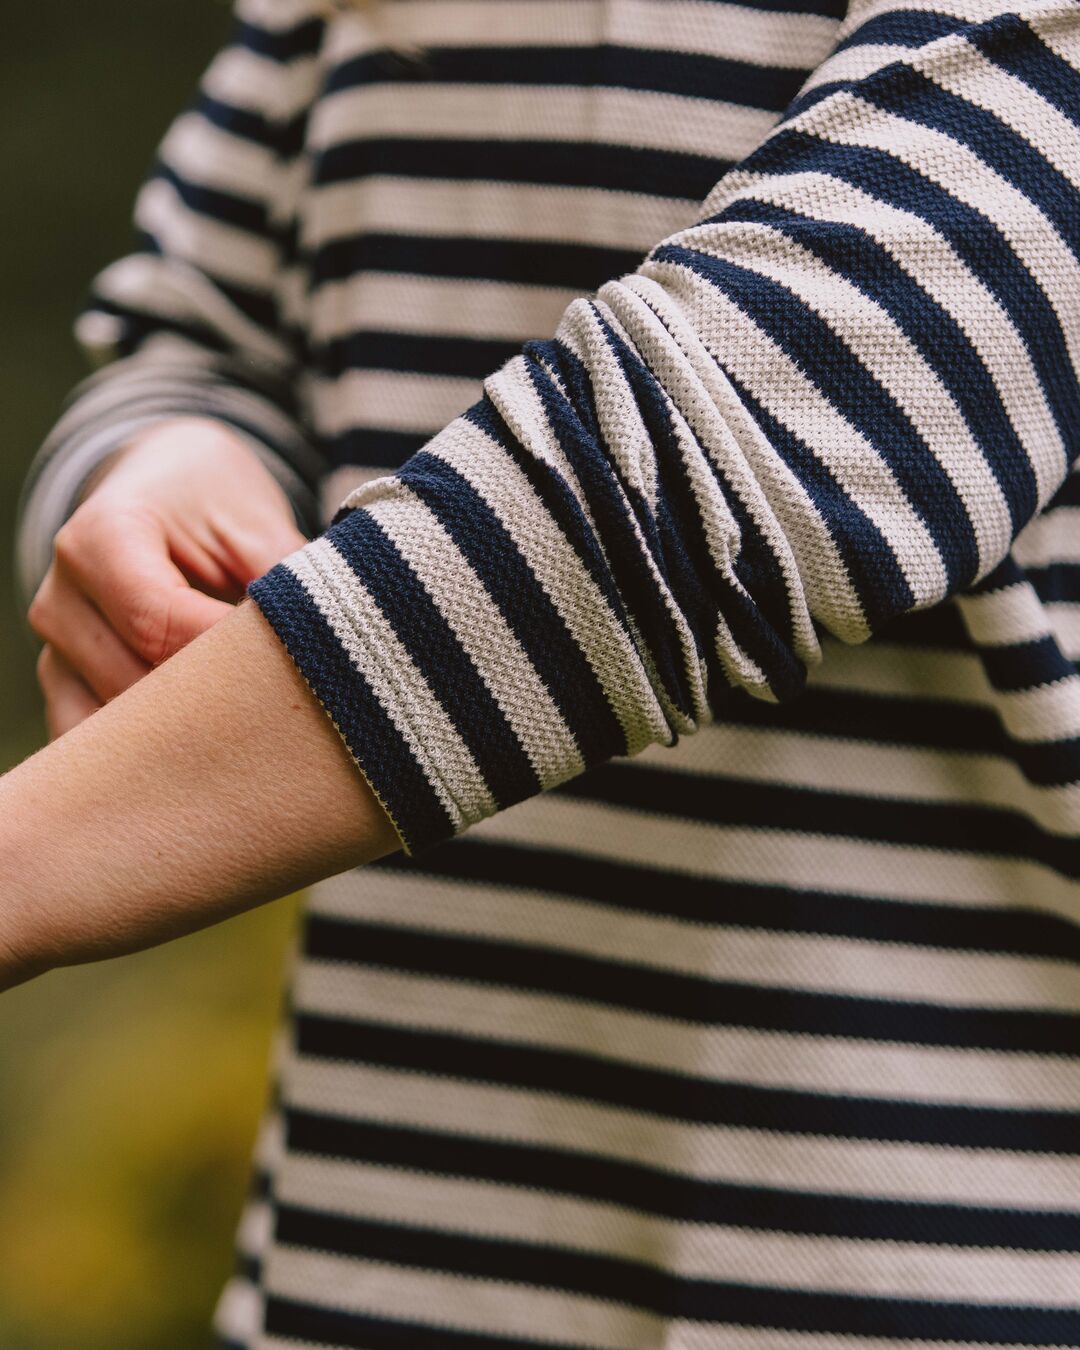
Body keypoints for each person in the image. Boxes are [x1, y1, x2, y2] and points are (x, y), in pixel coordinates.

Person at [6, 0, 1080, 1343]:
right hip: (377, 1257)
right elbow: (198, 324)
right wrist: (162, 457)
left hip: (917, 1269)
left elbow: (747, 446)